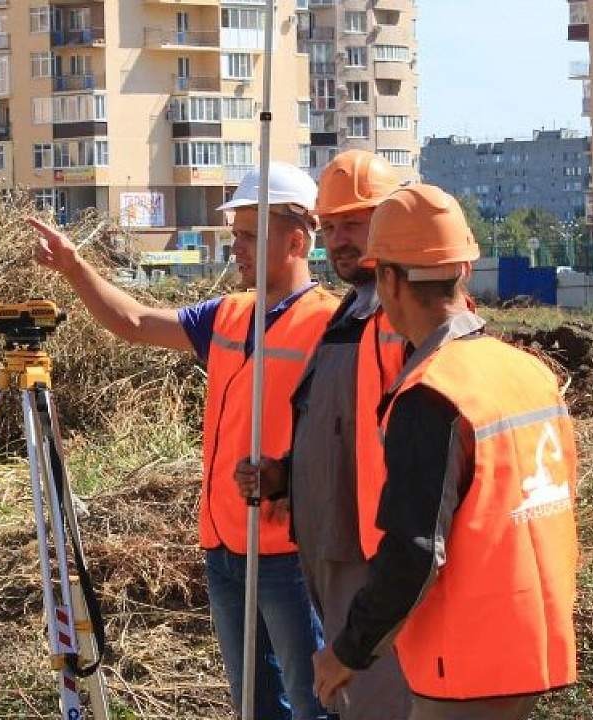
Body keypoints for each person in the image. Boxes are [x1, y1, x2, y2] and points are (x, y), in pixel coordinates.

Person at [29, 163, 335, 719]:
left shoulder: (331, 326)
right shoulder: (228, 314)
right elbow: (139, 322)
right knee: (254, 703)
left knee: (314, 702)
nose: (234, 248)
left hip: (291, 552)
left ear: (296, 241)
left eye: (247, 236)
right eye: (234, 235)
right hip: (223, 543)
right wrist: (74, 268)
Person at [310, 184, 579, 720]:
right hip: (532, 643)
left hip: (464, 660)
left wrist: (348, 650)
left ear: (387, 278)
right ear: (462, 271)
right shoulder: (527, 371)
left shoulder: (432, 394)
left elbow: (413, 550)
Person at [236, 150, 412, 720]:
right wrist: (286, 474)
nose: (338, 239)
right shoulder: (350, 314)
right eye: (330, 226)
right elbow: (341, 428)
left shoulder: (404, 320)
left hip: (379, 554)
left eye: (353, 224)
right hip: (334, 548)